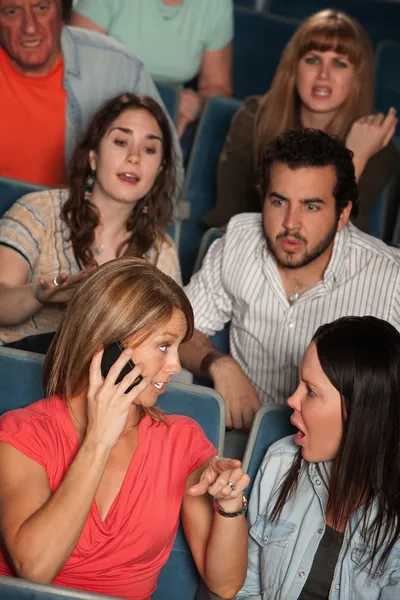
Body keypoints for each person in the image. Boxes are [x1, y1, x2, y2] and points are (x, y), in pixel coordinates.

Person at [0, 257, 249, 600]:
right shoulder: (22, 433)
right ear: (108, 347)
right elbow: (36, 569)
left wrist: (230, 503)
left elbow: (224, 585)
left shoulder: (181, 440)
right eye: (164, 346)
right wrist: (99, 441)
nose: (175, 365)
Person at [179, 129, 400, 434]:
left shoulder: (390, 279)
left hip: (337, 458)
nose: (290, 223)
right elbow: (177, 328)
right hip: (244, 439)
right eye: (279, 202)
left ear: (342, 214)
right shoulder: (239, 241)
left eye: (311, 206)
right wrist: (217, 362)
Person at [0, 92, 181, 351]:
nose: (134, 157)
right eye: (121, 142)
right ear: (93, 157)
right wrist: (38, 296)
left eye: (149, 149)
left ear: (159, 170)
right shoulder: (38, 211)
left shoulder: (163, 251)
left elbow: (166, 343)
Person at [237, 315, 400, 599]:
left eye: (310, 391)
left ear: (359, 413)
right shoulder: (280, 462)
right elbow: (245, 588)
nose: (291, 399)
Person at [205, 9, 400, 234]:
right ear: (294, 68)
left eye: (339, 64)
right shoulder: (253, 118)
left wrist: (355, 156)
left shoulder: (375, 146)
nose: (323, 75)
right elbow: (230, 220)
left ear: (357, 78)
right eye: (313, 60)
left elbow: (336, 235)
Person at [0, 0, 183, 199]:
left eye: (41, 8)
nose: (30, 27)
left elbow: (170, 170)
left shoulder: (118, 67)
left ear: (62, 11)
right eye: (11, 12)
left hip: (81, 221)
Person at [71, 0, 233, 143]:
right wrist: (147, 107)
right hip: (103, 103)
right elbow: (78, 67)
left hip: (174, 117)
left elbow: (217, 85)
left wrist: (195, 106)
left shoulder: (216, 3)